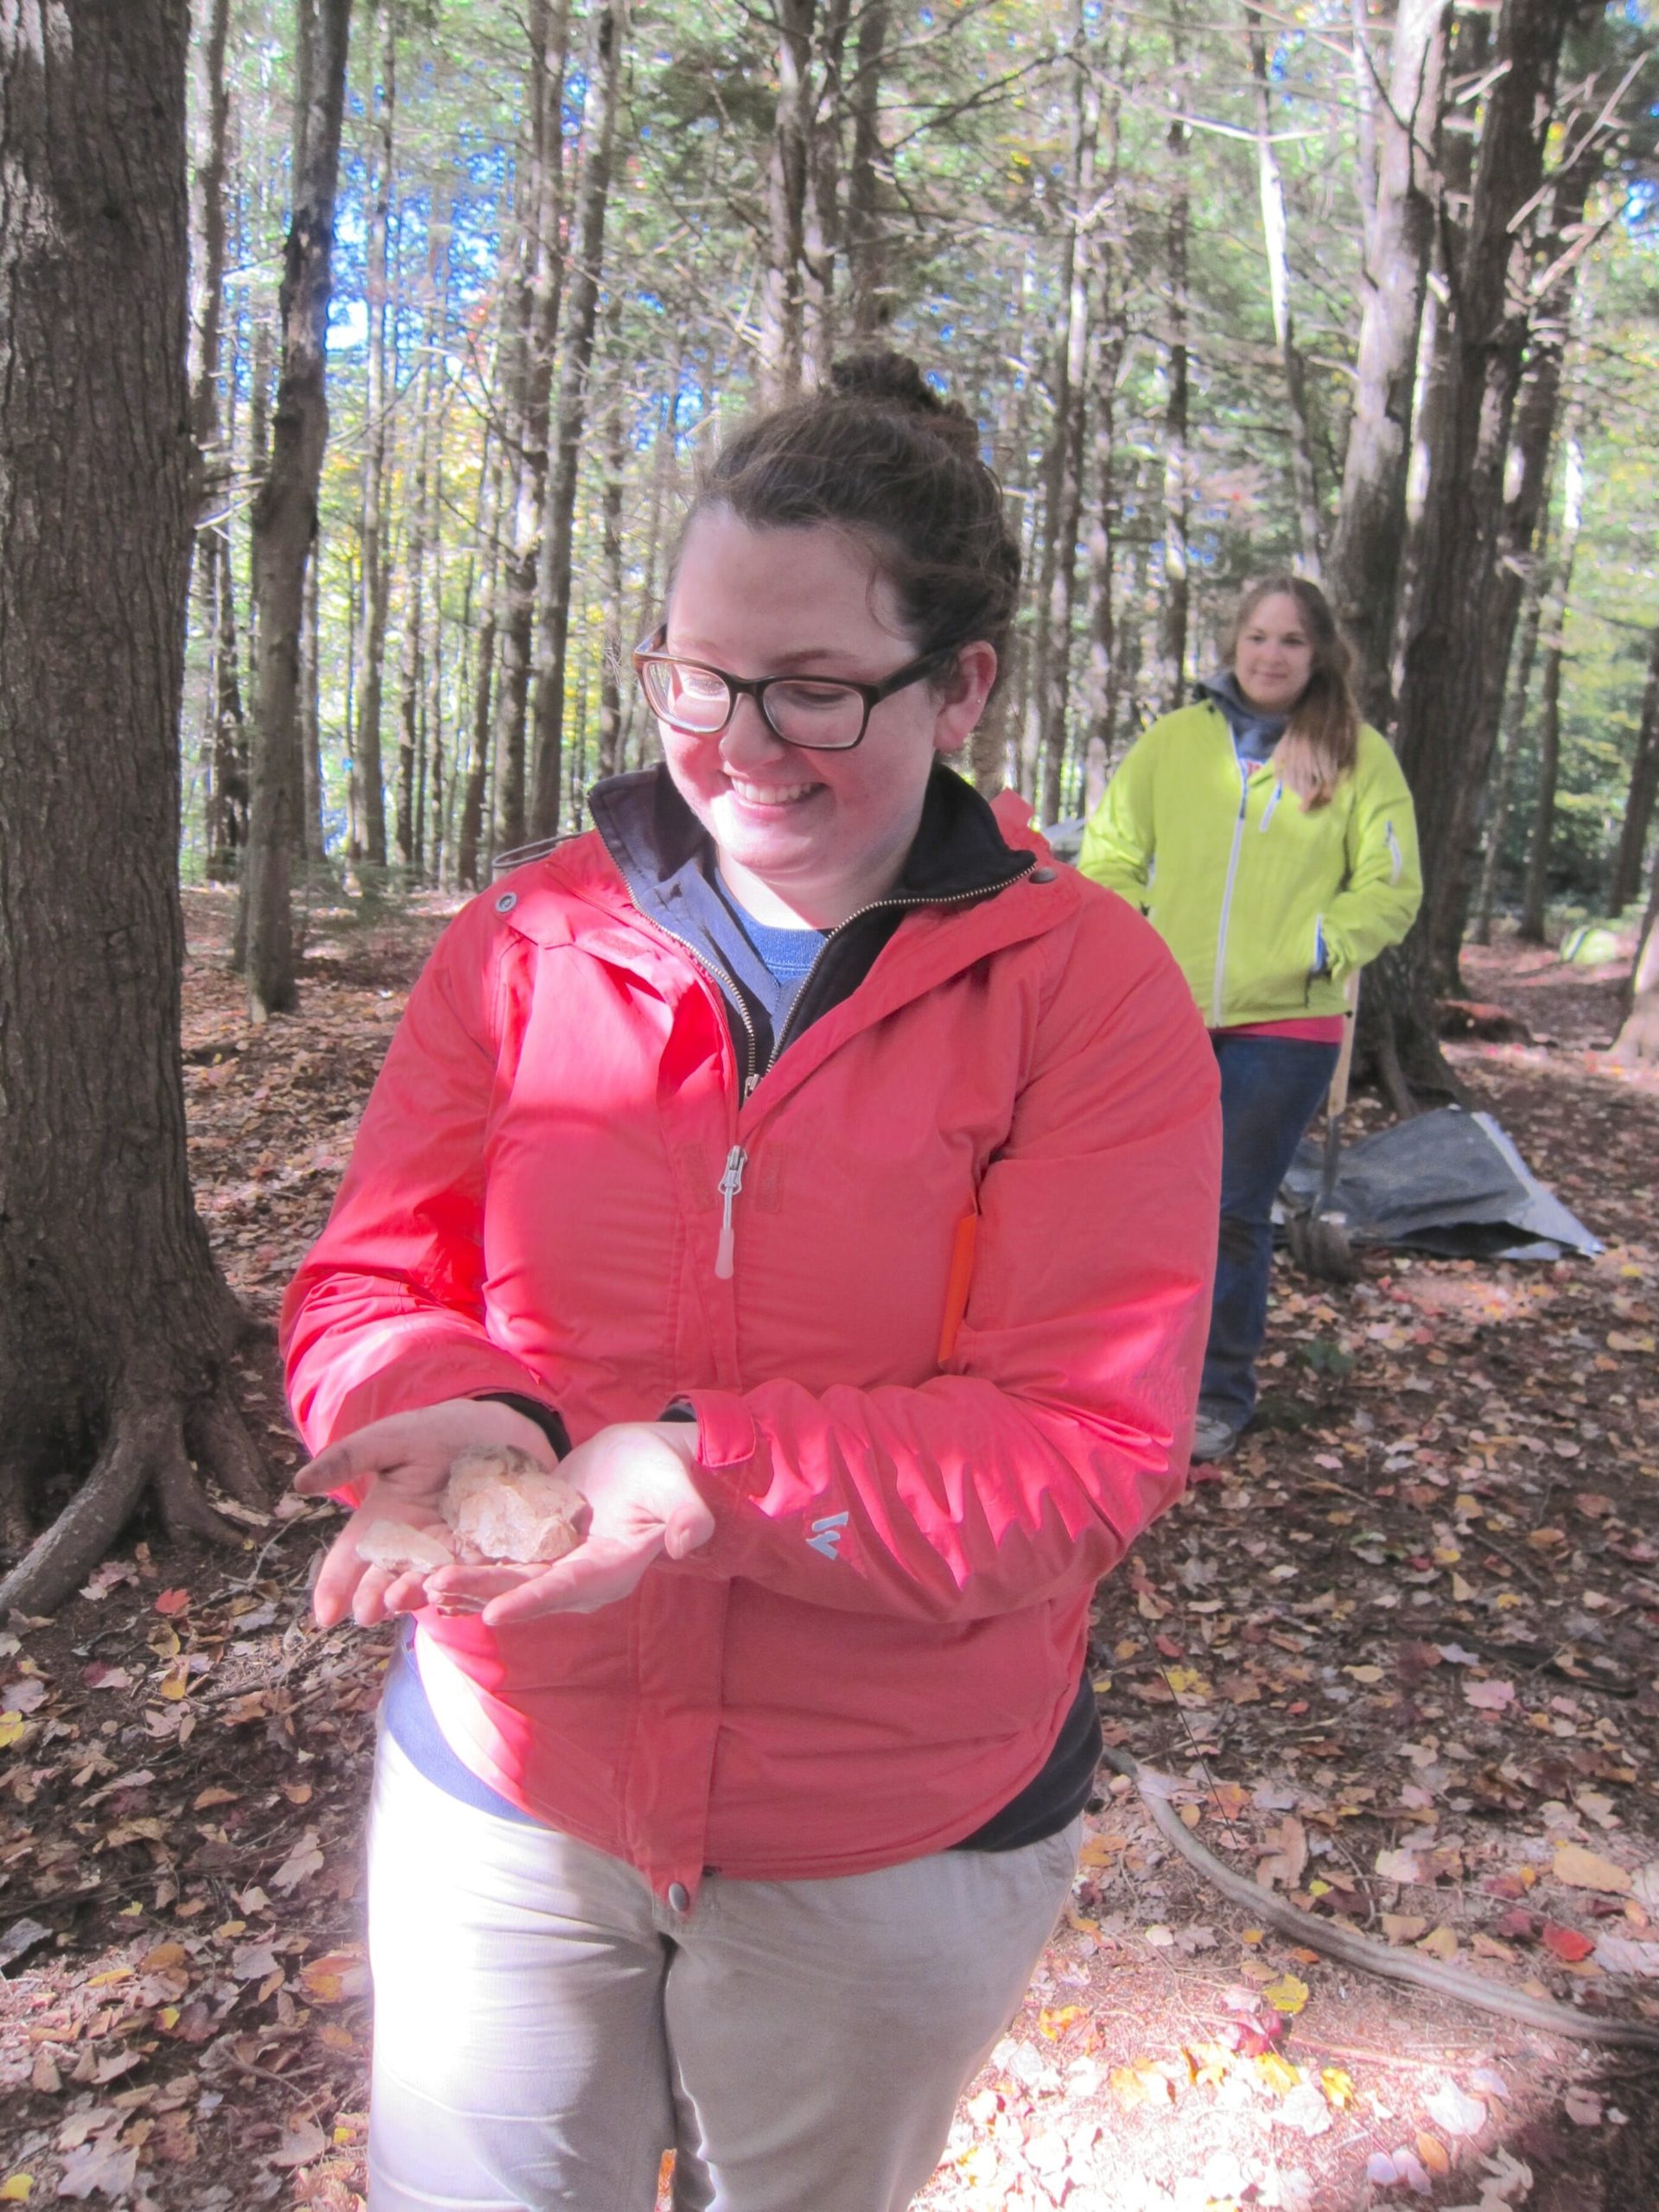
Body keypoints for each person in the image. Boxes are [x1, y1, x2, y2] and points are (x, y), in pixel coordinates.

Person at [283, 351, 1220, 2212]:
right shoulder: (533, 929)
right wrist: (442, 1404)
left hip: (882, 1824)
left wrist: (694, 1473)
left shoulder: (1084, 992)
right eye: (698, 679)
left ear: (962, 686)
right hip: (514, 1763)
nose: (736, 743)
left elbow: (1081, 1445)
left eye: (814, 690)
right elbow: (370, 1271)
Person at [1078, 574, 1421, 1465]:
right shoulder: (1174, 743)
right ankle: (1129, 1379)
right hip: (1167, 1017)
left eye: (1292, 641)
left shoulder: (1356, 754)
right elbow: (1111, 851)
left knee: (1230, 1209)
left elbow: (1391, 887)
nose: (1271, 655)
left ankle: (1217, 1393)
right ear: (1235, 644)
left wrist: (1319, 943)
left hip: (1288, 1028)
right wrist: (1143, 936)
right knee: (1148, 1203)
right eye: (1259, 637)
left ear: (1319, 657)